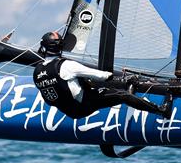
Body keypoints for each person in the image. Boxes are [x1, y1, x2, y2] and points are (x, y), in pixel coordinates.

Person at [33, 31, 172, 119]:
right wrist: (123, 79)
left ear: (44, 47)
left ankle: (124, 88)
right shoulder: (67, 65)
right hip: (84, 106)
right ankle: (161, 110)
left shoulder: (37, 71)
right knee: (122, 96)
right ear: (61, 46)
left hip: (69, 111)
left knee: (83, 82)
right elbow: (101, 76)